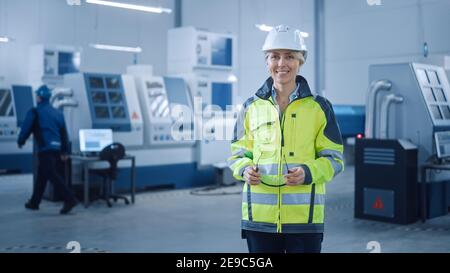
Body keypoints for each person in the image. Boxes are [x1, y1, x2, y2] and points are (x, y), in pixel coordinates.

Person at [228, 25, 344, 253]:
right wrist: (244, 169)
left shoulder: (319, 108)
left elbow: (335, 159)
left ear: (301, 61)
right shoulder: (250, 107)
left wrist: (308, 172)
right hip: (259, 219)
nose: (282, 63)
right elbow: (237, 154)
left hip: (304, 220)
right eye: (275, 56)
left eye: (290, 56)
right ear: (267, 61)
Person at [18, 85, 78, 215]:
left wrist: (21, 140)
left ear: (39, 98)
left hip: (45, 149)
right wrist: (64, 151)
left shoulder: (35, 112)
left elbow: (26, 128)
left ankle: (70, 198)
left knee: (51, 174)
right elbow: (63, 134)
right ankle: (34, 202)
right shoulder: (58, 113)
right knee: (42, 176)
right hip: (57, 150)